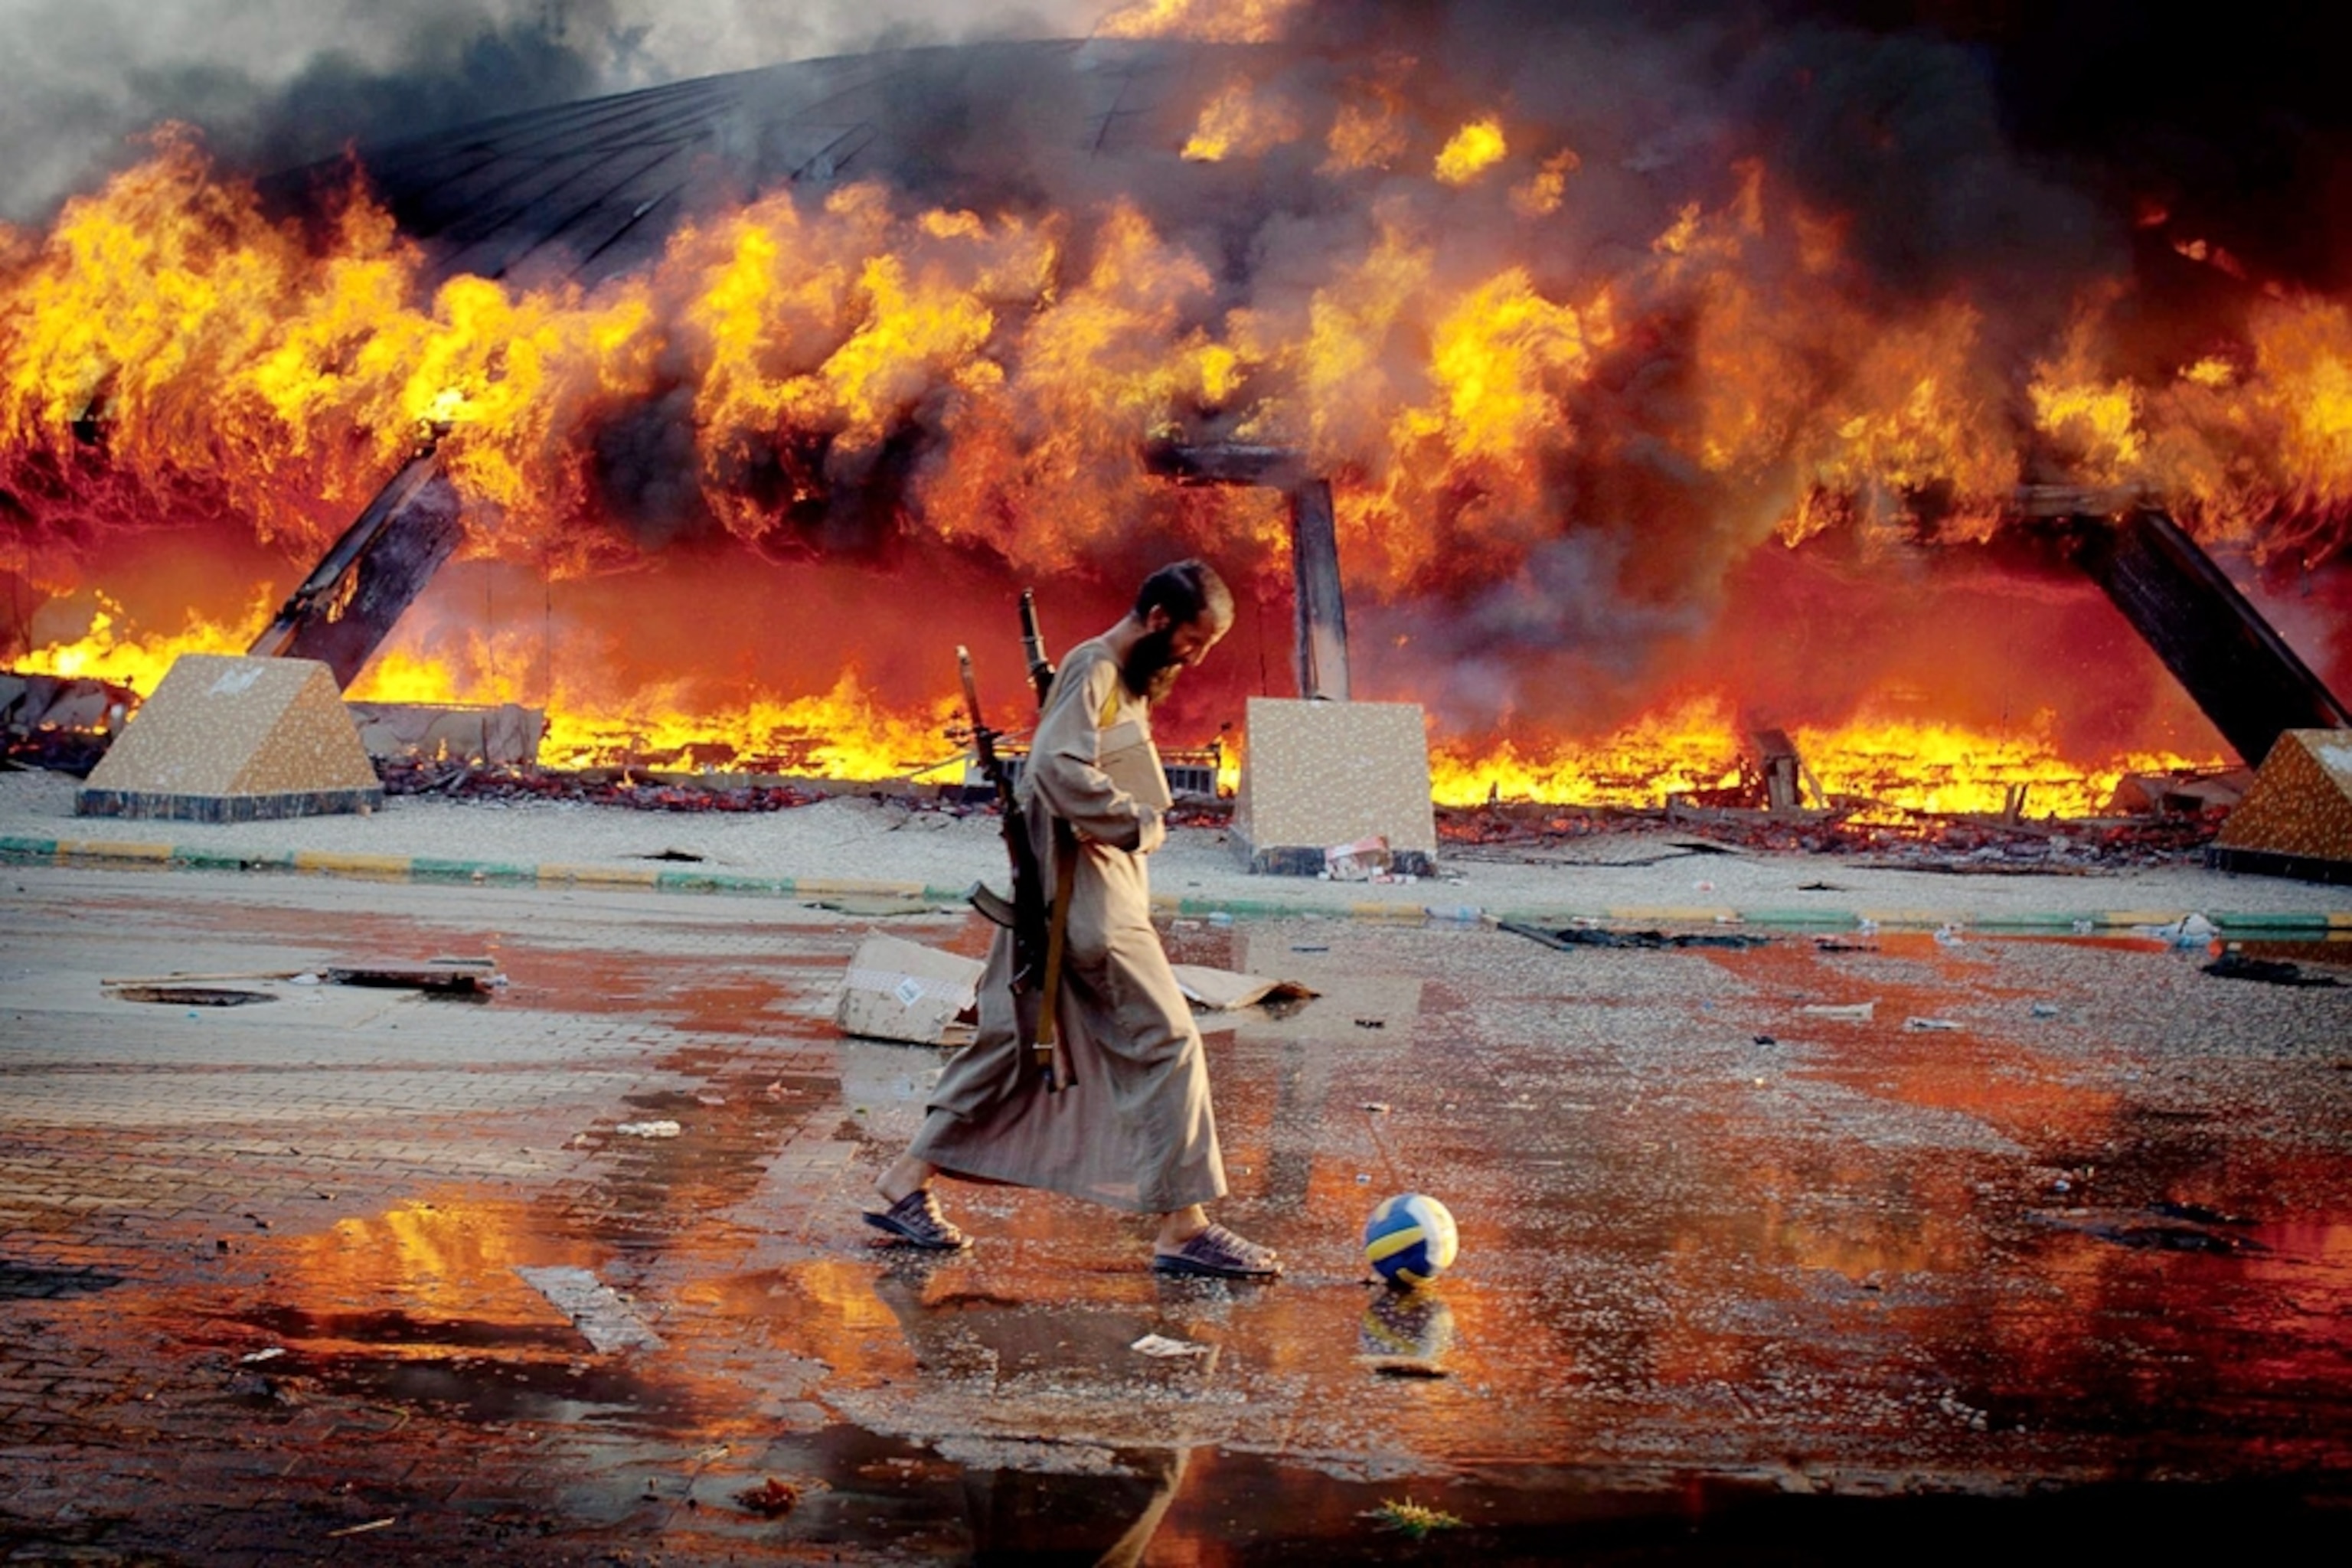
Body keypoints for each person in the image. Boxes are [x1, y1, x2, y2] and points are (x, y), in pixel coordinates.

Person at [865, 559, 1280, 1279]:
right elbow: (1054, 769)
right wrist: (1135, 823)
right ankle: (1185, 1229)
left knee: (1010, 1044)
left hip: (1074, 900)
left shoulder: (1118, 679)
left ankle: (904, 1184)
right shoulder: (1094, 669)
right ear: (1158, 619)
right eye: (1192, 641)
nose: (1194, 658)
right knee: (1170, 1044)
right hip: (1089, 906)